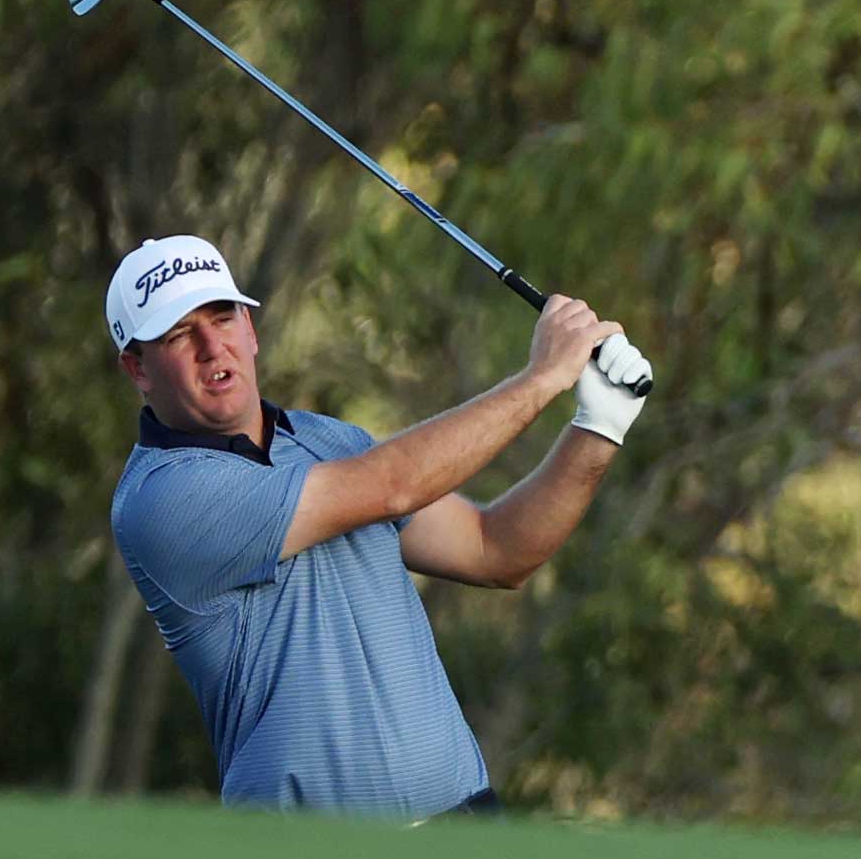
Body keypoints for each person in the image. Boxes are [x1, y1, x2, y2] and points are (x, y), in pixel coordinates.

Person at [105, 234, 652, 819]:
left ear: (251, 328)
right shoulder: (162, 497)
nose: (213, 348)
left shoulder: (329, 442)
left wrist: (599, 427)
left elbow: (496, 551)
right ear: (138, 368)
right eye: (179, 334)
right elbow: (395, 484)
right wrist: (542, 377)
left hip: (465, 823)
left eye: (222, 317)